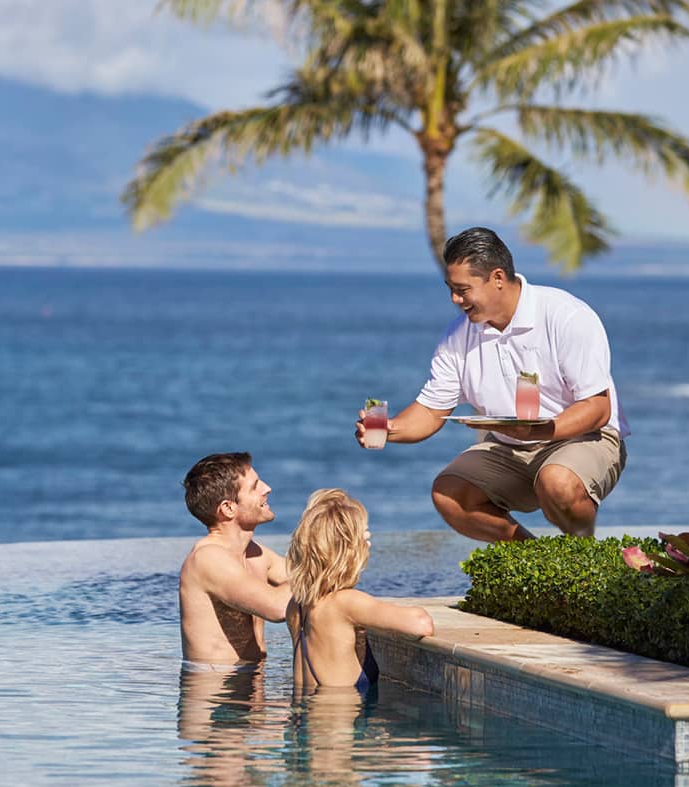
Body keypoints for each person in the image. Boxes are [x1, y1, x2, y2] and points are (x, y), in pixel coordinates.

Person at [356, 226, 628, 541]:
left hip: (584, 437)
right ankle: (536, 567)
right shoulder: (457, 337)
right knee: (449, 493)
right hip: (508, 447)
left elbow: (598, 408)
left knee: (557, 481)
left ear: (497, 278)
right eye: (450, 289)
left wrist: (538, 431)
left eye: (462, 289)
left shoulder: (566, 316)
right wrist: (390, 429)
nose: (455, 299)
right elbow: (431, 411)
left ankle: (586, 561)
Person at [286, 489, 434, 695]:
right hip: (341, 725)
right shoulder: (346, 603)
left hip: (307, 722)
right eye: (363, 535)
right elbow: (421, 624)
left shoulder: (297, 606)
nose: (369, 542)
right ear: (347, 549)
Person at [179, 452, 291, 670]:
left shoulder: (255, 553)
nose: (267, 488)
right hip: (216, 692)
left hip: (251, 681)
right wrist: (330, 561)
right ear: (228, 508)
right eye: (255, 486)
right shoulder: (207, 559)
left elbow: (307, 578)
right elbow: (277, 607)